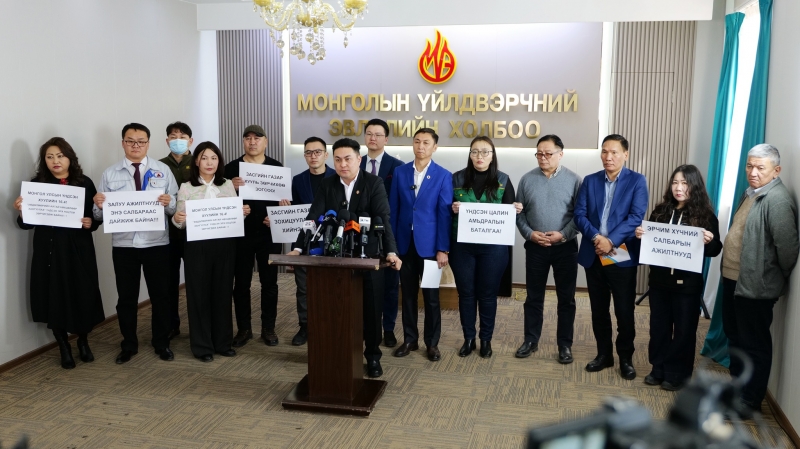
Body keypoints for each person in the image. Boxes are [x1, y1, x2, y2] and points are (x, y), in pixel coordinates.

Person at [287, 137, 402, 378]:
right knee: (336, 309)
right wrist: (297, 248)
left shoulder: (374, 182)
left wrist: (391, 252)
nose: (343, 164)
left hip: (369, 256)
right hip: (336, 257)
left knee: (372, 311)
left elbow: (384, 218)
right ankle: (339, 354)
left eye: (348, 159)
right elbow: (312, 217)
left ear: (359, 159)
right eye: (338, 159)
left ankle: (372, 356)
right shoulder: (328, 184)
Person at [720, 144, 798, 415]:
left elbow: (787, 249)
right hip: (733, 279)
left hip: (755, 287)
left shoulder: (778, 201)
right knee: (735, 338)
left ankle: (750, 401)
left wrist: (771, 276)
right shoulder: (751, 193)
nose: (753, 172)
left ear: (776, 170)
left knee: (753, 345)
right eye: (749, 166)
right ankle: (737, 390)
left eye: (760, 168)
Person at [14, 137, 105, 369]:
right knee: (52, 296)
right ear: (44, 161)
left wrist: (90, 222)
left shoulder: (84, 182)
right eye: (50, 157)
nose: (55, 161)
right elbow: (25, 224)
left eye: (60, 156)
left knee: (82, 293)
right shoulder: (37, 185)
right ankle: (63, 346)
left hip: (78, 250)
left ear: (69, 158)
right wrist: (22, 212)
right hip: (49, 251)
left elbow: (96, 217)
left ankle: (83, 341)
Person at [93, 123, 179, 364]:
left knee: (160, 297)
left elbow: (176, 207)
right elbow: (98, 215)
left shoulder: (162, 170)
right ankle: (129, 344)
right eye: (130, 141)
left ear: (148, 144)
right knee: (126, 299)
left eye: (141, 141)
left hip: (157, 243)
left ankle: (161, 342)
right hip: (124, 246)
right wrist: (98, 205)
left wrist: (169, 202)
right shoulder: (110, 174)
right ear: (123, 143)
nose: (136, 145)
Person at [634, 165, 722, 390]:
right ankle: (658, 368)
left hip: (687, 286)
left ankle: (677, 374)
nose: (679, 188)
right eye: (675, 182)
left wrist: (709, 241)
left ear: (694, 186)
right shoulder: (660, 211)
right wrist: (640, 235)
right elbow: (649, 245)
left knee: (684, 331)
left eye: (684, 183)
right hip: (659, 283)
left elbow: (715, 250)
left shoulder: (705, 216)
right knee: (658, 328)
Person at [574, 134, 648, 379]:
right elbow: (580, 215)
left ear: (625, 154)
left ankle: (625, 358)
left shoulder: (637, 181)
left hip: (621, 253)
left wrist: (611, 241)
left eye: (614, 152)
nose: (608, 157)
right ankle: (603, 354)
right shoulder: (590, 180)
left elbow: (635, 217)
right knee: (599, 309)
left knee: (624, 311)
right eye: (605, 151)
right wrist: (597, 238)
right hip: (594, 253)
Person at [171, 142, 249, 362]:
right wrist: (177, 218)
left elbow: (233, 217)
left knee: (222, 293)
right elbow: (180, 223)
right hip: (197, 247)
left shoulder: (227, 185)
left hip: (224, 245)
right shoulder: (186, 187)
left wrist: (242, 213)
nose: (209, 162)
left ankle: (223, 343)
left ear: (219, 161)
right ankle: (202, 346)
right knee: (199, 295)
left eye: (214, 158)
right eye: (204, 158)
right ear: (196, 161)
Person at [450, 136, 522, 358]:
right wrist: (451, 207)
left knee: (488, 295)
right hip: (462, 248)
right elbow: (442, 210)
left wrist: (515, 209)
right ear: (470, 154)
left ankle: (486, 340)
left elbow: (510, 214)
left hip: (493, 250)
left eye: (485, 152)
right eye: (475, 152)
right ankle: (469, 338)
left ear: (492, 156)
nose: (479, 156)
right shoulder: (456, 178)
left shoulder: (503, 179)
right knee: (466, 294)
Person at [514, 135, 582, 364]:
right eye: (539, 154)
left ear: (560, 154)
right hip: (536, 247)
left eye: (548, 153)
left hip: (565, 247)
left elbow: (580, 215)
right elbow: (519, 213)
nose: (542, 158)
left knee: (566, 299)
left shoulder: (575, 180)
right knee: (533, 296)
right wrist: (529, 234)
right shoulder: (526, 180)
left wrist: (563, 234)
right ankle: (530, 340)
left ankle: (565, 345)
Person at [390, 128, 453, 362]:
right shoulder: (400, 172)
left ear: (435, 147)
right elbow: (393, 210)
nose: (421, 146)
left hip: (430, 248)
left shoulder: (443, 175)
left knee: (431, 298)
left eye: (426, 142)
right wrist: (392, 246)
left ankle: (432, 343)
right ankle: (410, 339)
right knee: (407, 295)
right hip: (404, 246)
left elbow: (444, 215)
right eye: (417, 141)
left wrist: (442, 249)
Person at [224, 124, 290, 348]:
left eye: (257, 138)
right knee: (241, 284)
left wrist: (281, 211)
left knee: (269, 283)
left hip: (268, 235)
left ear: (265, 141)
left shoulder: (277, 168)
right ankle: (244, 329)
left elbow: (285, 204)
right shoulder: (231, 169)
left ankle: (268, 328)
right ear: (243, 141)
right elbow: (219, 202)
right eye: (248, 138)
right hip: (239, 235)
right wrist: (229, 187)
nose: (252, 142)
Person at [359, 118, 404, 348]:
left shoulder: (398, 167)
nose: (373, 138)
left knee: (389, 285)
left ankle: (388, 329)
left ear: (386, 139)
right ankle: (365, 327)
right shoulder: (355, 162)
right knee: (361, 284)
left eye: (378, 134)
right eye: (369, 133)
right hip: (358, 233)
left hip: (387, 232)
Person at [289, 136, 336, 346]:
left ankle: (329, 325)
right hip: (306, 242)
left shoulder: (337, 177)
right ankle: (305, 326)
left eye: (317, 152)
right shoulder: (298, 180)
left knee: (330, 288)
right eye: (308, 152)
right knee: (304, 288)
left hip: (331, 242)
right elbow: (295, 212)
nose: (313, 156)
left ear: (326, 155)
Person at [159, 121, 194, 340]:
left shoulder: (200, 163)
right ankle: (172, 324)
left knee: (195, 282)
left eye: (182, 137)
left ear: (191, 141)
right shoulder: (159, 166)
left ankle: (197, 326)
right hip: (167, 234)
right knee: (169, 283)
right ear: (167, 141)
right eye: (173, 137)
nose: (177, 141)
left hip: (194, 233)